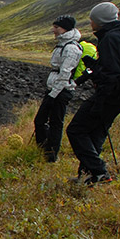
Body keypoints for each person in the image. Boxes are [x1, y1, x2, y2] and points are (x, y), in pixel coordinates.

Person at [66, 2, 120, 186]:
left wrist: (100, 100)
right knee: (96, 132)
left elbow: (112, 74)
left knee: (76, 129)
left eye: (92, 20)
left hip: (110, 95)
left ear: (100, 21)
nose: (91, 23)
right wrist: (95, 67)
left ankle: (99, 172)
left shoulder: (111, 38)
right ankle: (89, 176)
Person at [34, 15, 82, 162]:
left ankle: (50, 154)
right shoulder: (62, 44)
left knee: (55, 122)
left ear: (65, 29)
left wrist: (53, 94)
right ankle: (45, 149)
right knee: (41, 120)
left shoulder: (71, 48)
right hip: (55, 90)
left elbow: (65, 74)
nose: (53, 30)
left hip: (61, 91)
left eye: (56, 27)